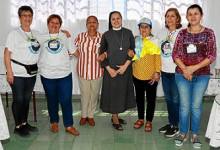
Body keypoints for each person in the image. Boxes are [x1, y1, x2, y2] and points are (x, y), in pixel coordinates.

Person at [172, 4, 216, 148]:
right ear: (187, 17)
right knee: (184, 106)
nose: (193, 16)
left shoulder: (209, 33)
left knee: (196, 106)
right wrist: (185, 69)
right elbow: (175, 54)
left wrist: (193, 69)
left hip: (202, 75)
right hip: (182, 74)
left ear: (201, 15)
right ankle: (183, 133)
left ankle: (195, 134)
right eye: (190, 14)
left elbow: (212, 55)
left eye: (196, 13)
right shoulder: (182, 33)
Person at [38, 14, 79, 136]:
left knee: (66, 100)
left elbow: (75, 53)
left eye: (57, 23)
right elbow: (34, 53)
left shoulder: (65, 36)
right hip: (47, 75)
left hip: (64, 74)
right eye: (52, 22)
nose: (54, 25)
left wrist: (81, 58)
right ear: (47, 23)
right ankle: (54, 122)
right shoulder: (41, 37)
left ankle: (69, 125)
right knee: (52, 100)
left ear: (60, 25)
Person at [4, 5, 40, 137]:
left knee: (26, 99)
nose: (27, 18)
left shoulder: (35, 34)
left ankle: (24, 123)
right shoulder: (14, 33)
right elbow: (7, 53)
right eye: (24, 15)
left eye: (29, 15)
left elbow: (47, 39)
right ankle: (18, 126)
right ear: (19, 18)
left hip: (31, 73)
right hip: (17, 72)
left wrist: (63, 32)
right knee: (18, 100)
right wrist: (9, 71)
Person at [99, 11, 136, 131]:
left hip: (125, 69)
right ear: (110, 21)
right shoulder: (106, 35)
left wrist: (125, 66)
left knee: (122, 94)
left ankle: (116, 115)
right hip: (112, 71)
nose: (116, 21)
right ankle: (114, 118)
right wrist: (109, 69)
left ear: (121, 19)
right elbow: (102, 54)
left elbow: (133, 52)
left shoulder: (128, 33)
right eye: (113, 19)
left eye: (118, 18)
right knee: (113, 95)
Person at [132, 18, 161, 132]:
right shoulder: (136, 40)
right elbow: (133, 56)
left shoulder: (155, 40)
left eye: (146, 27)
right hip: (137, 74)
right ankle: (140, 119)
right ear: (139, 29)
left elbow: (158, 58)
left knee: (151, 99)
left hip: (151, 77)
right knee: (139, 98)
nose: (144, 29)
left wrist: (157, 72)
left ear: (150, 28)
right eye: (142, 27)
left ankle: (149, 121)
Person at [74, 16, 103, 126]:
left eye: (94, 22)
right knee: (85, 94)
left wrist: (104, 55)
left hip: (97, 72)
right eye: (89, 22)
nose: (92, 24)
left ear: (97, 24)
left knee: (94, 95)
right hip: (83, 71)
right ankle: (83, 116)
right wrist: (79, 57)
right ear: (86, 24)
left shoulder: (102, 37)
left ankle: (90, 116)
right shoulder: (80, 37)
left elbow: (107, 52)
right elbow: (72, 49)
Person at [158, 8, 182, 137]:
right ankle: (171, 123)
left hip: (176, 71)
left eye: (173, 16)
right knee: (168, 99)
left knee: (175, 99)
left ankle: (176, 125)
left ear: (177, 18)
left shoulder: (181, 33)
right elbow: (155, 47)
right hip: (164, 70)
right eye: (168, 16)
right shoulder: (162, 32)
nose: (170, 18)